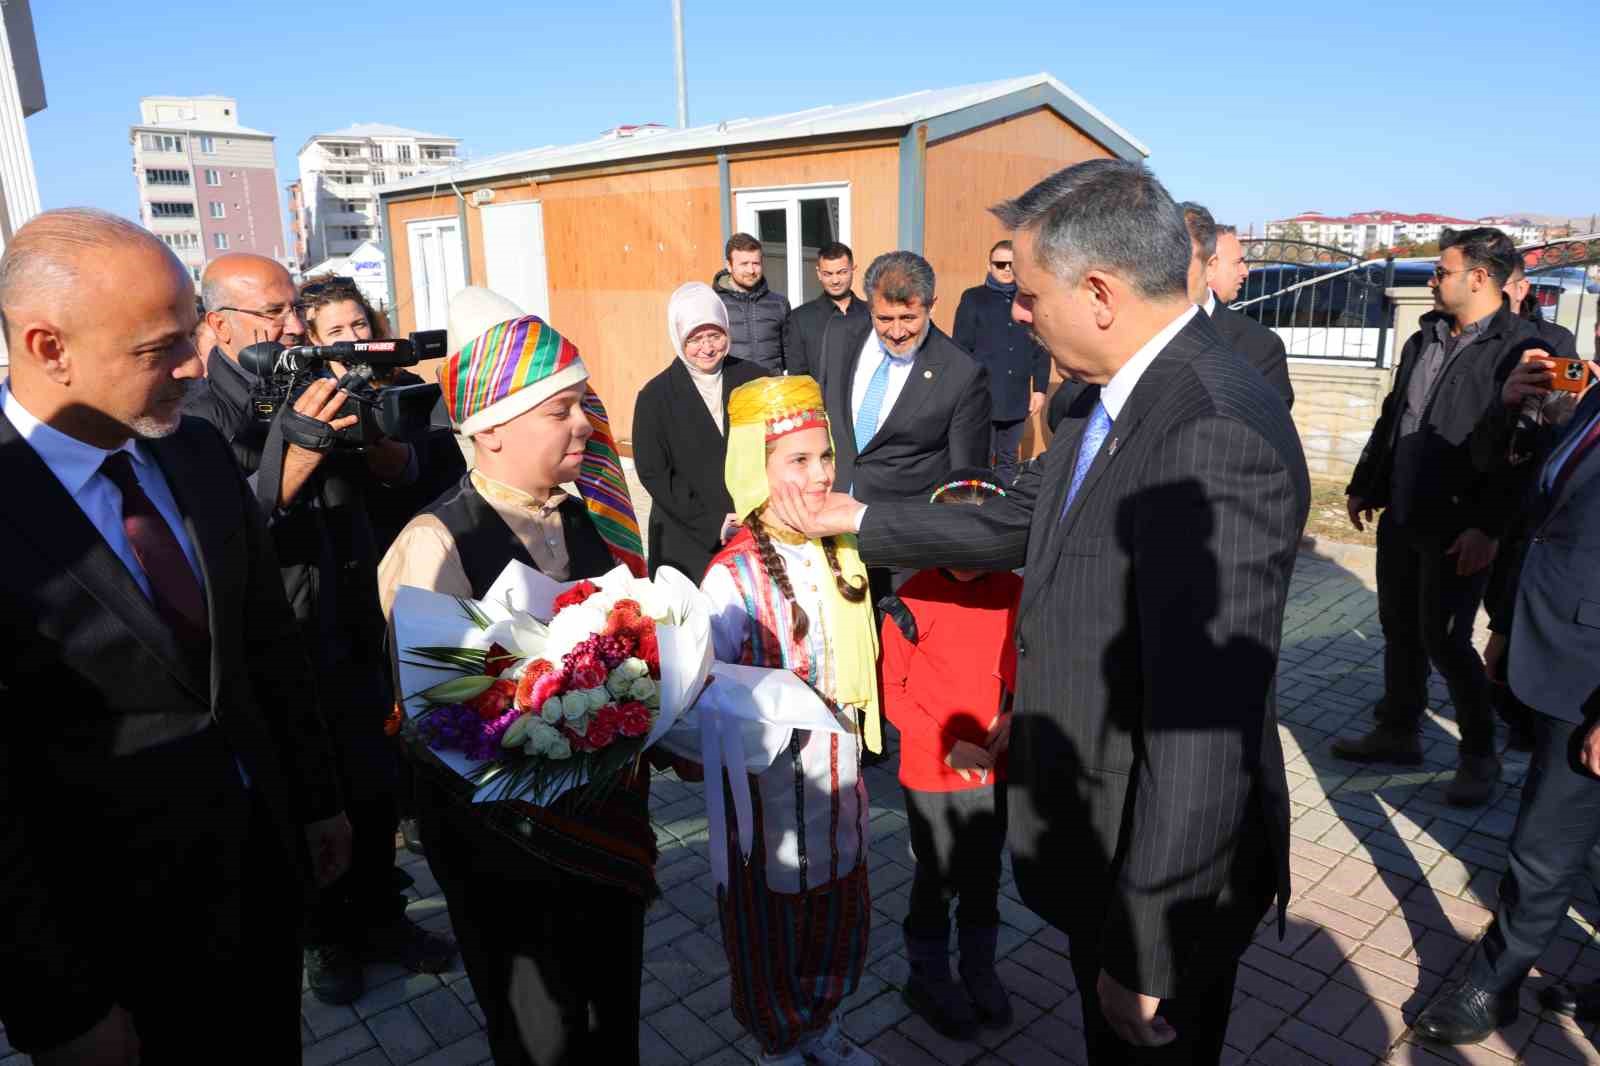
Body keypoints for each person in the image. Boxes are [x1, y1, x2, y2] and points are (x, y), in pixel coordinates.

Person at [769, 159, 1309, 1065]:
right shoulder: (1104, 399)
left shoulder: (1210, 430)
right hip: (1097, 817)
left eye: (1027, 291)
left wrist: (1150, 944)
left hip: (1156, 869)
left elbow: (1201, 720)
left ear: (1098, 292)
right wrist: (854, 518)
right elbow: (1021, 521)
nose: (1014, 313)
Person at [0, 208, 350, 1064]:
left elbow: (264, 642)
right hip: (113, 949)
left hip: (258, 882)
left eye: (193, 333)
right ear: (50, 348)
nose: (198, 366)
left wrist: (315, 797)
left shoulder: (191, 453)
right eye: (161, 350)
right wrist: (62, 1005)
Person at [378, 288, 653, 1066]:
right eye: (560, 410)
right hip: (507, 855)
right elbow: (438, 723)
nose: (584, 425)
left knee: (614, 1017)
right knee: (543, 1035)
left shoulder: (586, 514)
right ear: (490, 427)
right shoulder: (434, 543)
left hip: (608, 831)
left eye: (582, 406)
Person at [186, 254, 455, 1004]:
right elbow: (218, 537)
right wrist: (290, 459)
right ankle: (326, 939)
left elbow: (396, 479)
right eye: (273, 313)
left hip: (353, 617)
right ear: (222, 326)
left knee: (371, 782)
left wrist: (381, 446)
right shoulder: (201, 418)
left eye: (293, 310)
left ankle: (383, 917)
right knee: (311, 795)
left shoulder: (319, 378)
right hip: (284, 642)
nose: (292, 325)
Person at [1412, 353, 1600, 1046]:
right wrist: (1510, 628)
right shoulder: (1589, 402)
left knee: (1544, 846)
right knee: (1576, 840)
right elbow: (1539, 514)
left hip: (1590, 676)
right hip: (1553, 646)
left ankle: (1495, 985)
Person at [694, 373, 879, 1066]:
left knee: (837, 919)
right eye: (797, 461)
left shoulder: (841, 550)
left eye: (824, 456)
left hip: (841, 788)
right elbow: (701, 709)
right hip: (769, 800)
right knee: (773, 930)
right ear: (755, 470)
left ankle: (821, 1030)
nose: (819, 474)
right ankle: (778, 1044)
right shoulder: (730, 578)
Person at [1334, 227, 1545, 806]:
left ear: (1478, 278)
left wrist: (1490, 528)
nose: (1430, 280)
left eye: (1439, 271)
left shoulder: (1524, 347)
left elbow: (1527, 456)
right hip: (1404, 511)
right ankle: (1398, 731)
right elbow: (1395, 416)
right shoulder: (1423, 336)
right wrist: (1365, 483)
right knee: (1399, 629)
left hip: (1463, 525)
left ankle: (1479, 752)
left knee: (1447, 641)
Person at [876, 468, 1022, 1039]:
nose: (966, 558)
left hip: (995, 767)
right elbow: (893, 693)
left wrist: (1016, 712)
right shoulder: (912, 600)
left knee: (985, 873)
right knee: (937, 876)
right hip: (933, 771)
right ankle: (928, 974)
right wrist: (946, 741)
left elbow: (1029, 665)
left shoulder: (1014, 592)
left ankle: (979, 968)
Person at [815, 249, 991, 603]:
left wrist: (960, 553)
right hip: (830, 535)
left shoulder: (961, 373)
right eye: (884, 318)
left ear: (931, 305)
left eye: (909, 317)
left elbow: (964, 478)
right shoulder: (839, 334)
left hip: (902, 550)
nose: (896, 332)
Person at [295, 274, 467, 556]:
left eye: (359, 324)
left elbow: (450, 473)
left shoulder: (407, 383)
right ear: (314, 338)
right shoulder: (311, 401)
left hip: (422, 539)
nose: (353, 339)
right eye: (336, 331)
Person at [633, 281, 767, 580]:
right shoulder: (655, 397)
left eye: (715, 335)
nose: (707, 348)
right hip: (686, 538)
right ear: (678, 338)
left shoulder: (755, 379)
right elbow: (654, 472)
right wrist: (713, 523)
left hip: (754, 529)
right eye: (695, 338)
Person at [953, 241, 1051, 484]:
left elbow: (1041, 346)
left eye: (1012, 264)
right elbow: (961, 347)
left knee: (1008, 458)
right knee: (981, 457)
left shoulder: (1030, 300)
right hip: (982, 394)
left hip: (1016, 395)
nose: (1007, 269)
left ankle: (1004, 506)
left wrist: (1039, 388)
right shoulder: (973, 298)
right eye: (1000, 264)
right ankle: (982, 505)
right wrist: (963, 390)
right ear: (989, 265)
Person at [1183, 203, 1294, 408]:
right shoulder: (1134, 329)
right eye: (1237, 262)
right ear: (1210, 265)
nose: (1245, 271)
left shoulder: (1261, 347)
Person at [783, 241, 868, 379]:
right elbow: (798, 376)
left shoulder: (871, 314)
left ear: (853, 269)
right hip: (820, 399)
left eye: (842, 272)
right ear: (819, 273)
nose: (835, 280)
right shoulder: (800, 318)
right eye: (828, 274)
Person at [716, 231, 790, 374]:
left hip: (771, 390)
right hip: (733, 391)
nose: (751, 270)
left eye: (756, 263)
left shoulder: (779, 304)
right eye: (744, 264)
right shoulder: (714, 304)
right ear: (729, 265)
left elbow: (789, 354)